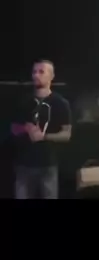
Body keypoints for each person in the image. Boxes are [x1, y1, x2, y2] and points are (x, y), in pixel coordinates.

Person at [11, 60, 72, 199]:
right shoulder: (24, 101)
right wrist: (26, 128)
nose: (36, 75)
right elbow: (13, 129)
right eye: (34, 72)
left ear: (51, 76)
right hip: (23, 165)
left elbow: (66, 134)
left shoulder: (61, 103)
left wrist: (43, 136)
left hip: (48, 165)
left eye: (41, 72)